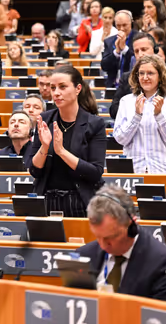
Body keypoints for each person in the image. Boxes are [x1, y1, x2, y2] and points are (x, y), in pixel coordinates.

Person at [25, 63, 106, 216]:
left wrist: (61, 151)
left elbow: (95, 172)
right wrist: (44, 146)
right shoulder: (45, 119)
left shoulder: (95, 124)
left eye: (62, 87)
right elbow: (34, 170)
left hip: (81, 201)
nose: (56, 93)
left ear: (78, 89)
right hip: (47, 200)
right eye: (53, 88)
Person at [77, 185, 166, 299]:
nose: (103, 245)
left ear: (132, 225)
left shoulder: (161, 263)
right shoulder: (83, 256)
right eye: (98, 237)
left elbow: (163, 309)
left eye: (111, 237)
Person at [112, 55, 166, 174]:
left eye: (150, 73)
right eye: (141, 73)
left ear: (160, 76)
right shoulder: (126, 101)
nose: (145, 77)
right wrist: (136, 117)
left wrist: (159, 116)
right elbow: (120, 139)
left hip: (163, 169)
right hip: (134, 169)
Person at [101, 10, 140, 87]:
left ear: (131, 23)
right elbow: (104, 66)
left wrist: (124, 49)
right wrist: (116, 52)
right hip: (113, 85)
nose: (121, 28)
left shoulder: (140, 38)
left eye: (124, 25)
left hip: (133, 84)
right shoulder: (109, 41)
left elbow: (138, 61)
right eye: (118, 26)